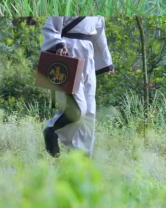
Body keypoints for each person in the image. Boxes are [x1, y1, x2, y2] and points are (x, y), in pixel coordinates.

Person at [42, 16, 114, 157]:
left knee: (89, 111)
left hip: (89, 55)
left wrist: (107, 61)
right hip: (68, 51)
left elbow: (99, 34)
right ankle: (52, 128)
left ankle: (82, 156)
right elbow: (50, 26)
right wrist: (57, 44)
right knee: (77, 107)